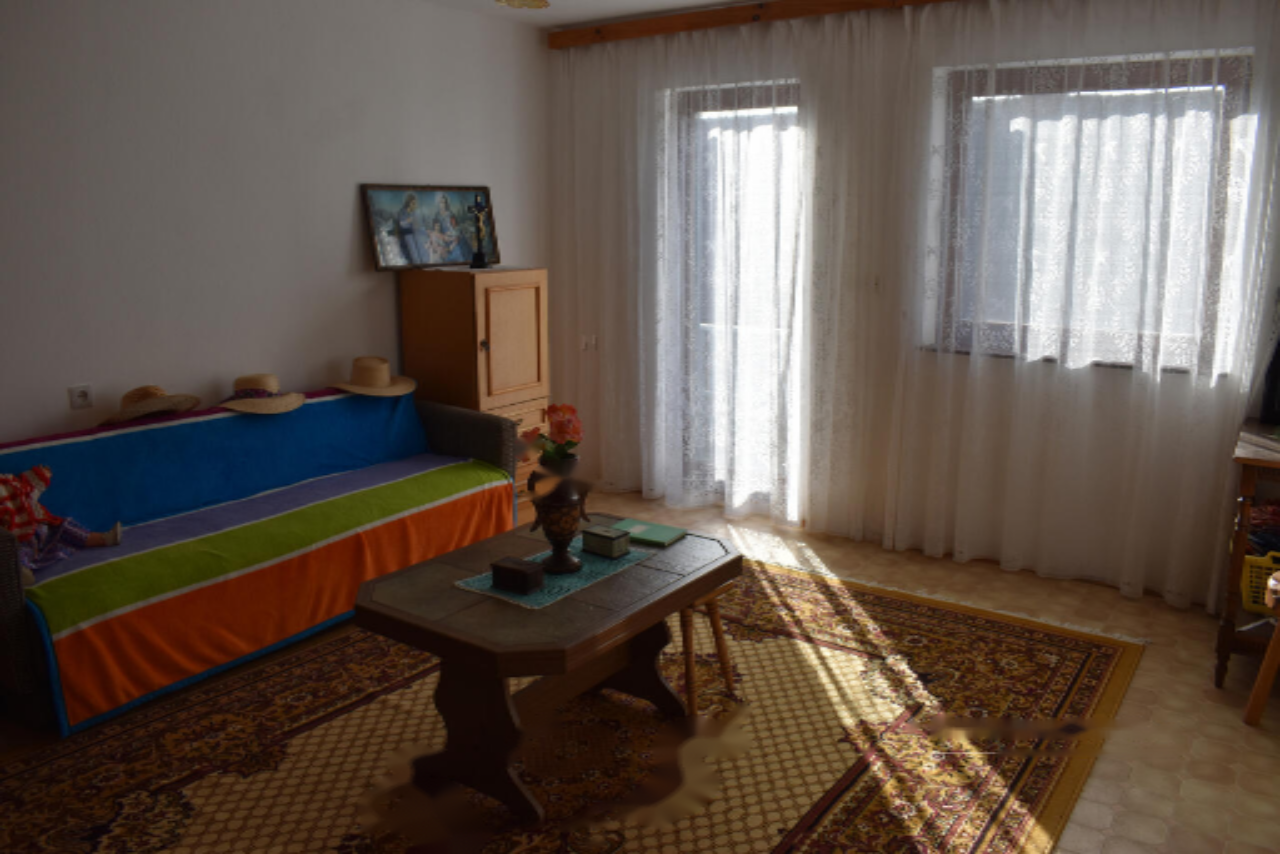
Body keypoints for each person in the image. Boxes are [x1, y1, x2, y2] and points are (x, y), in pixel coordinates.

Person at [1, 465, 122, 586]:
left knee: (66, 527)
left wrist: (41, 474)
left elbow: (30, 488)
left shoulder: (10, 482)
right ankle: (19, 571)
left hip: (42, 526)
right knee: (19, 551)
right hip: (19, 535)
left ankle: (103, 539)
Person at [428, 193, 472, 264]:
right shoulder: (437, 215)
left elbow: (456, 227)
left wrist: (453, 234)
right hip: (443, 238)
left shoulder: (450, 214)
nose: (443, 204)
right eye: (441, 202)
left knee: (459, 251)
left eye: (444, 202)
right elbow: (436, 227)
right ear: (438, 204)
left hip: (453, 235)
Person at [395, 194, 430, 266]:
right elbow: (401, 224)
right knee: (413, 255)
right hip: (406, 236)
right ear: (409, 203)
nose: (415, 205)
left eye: (415, 203)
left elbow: (417, 225)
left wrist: (425, 231)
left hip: (414, 235)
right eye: (413, 203)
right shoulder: (402, 212)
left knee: (421, 250)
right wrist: (408, 221)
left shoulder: (413, 212)